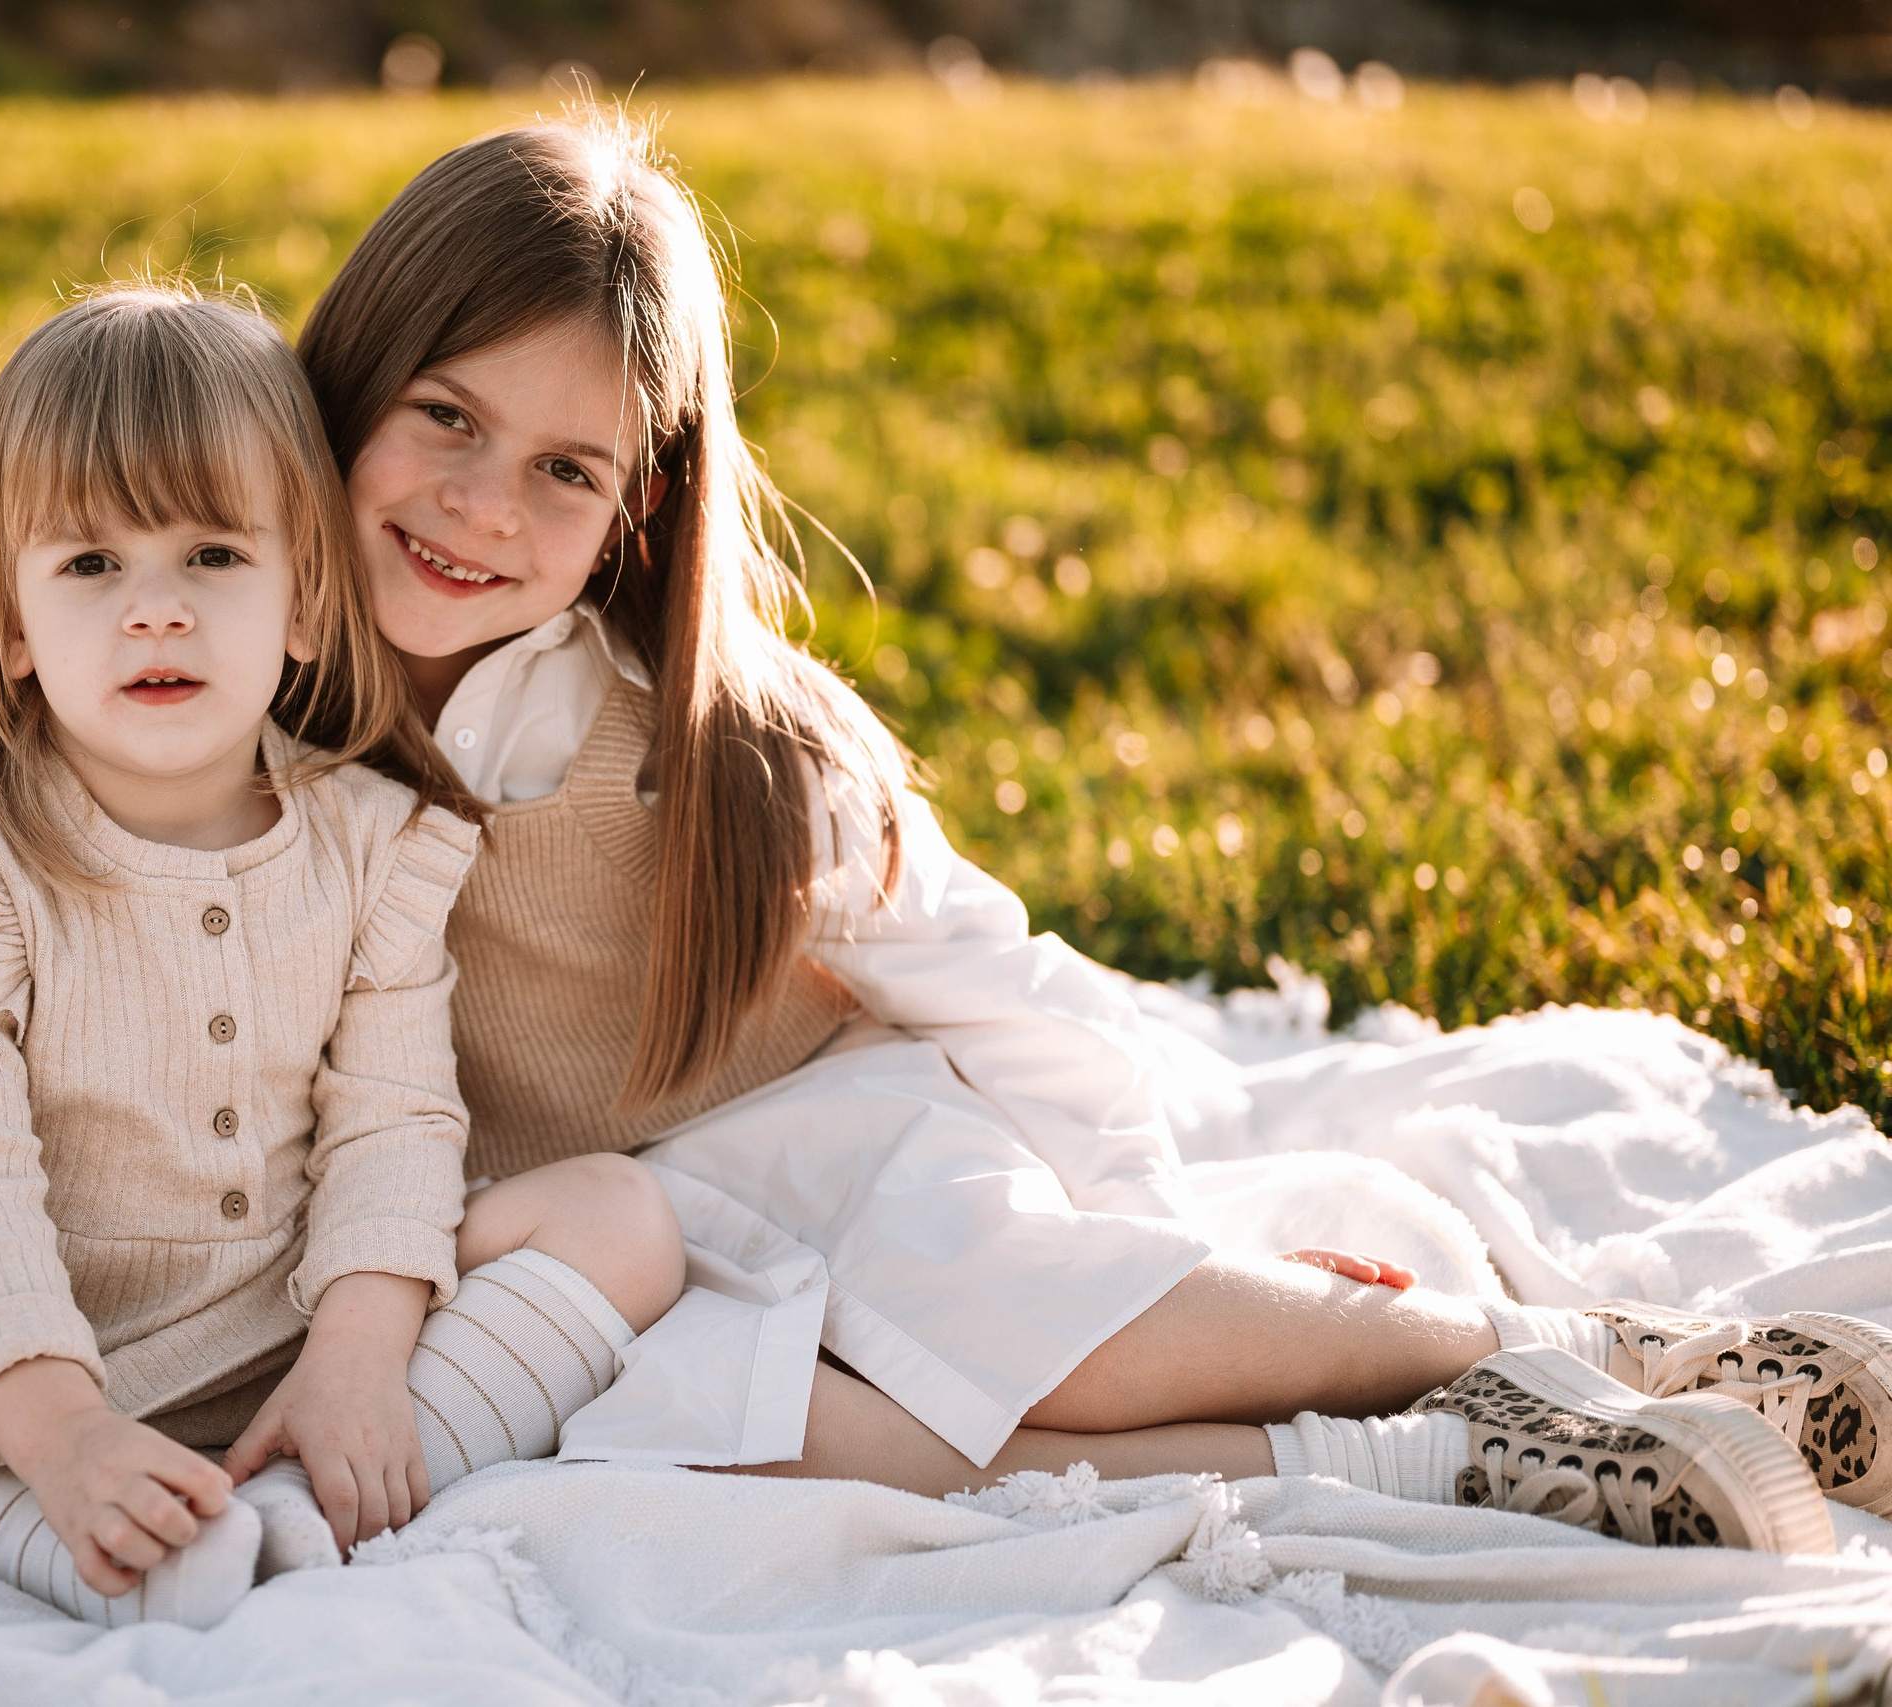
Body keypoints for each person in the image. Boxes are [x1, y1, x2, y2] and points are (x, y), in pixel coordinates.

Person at [291, 111, 1889, 1554]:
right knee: (721, 1441)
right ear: (354, 376)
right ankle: (1462, 1463)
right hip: (600, 1245)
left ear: (639, 504)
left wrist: (1153, 1239)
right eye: (444, 416)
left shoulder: (722, 748)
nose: (482, 507)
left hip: (829, 1137)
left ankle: (1571, 1354)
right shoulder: (231, 680)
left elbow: (1003, 987)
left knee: (1007, 1295)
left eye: (563, 469)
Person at [0, 285, 686, 1628]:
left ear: (303, 599)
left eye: (214, 558)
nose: (156, 612)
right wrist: (59, 1429)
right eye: (91, 567)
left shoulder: (376, 850)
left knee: (620, 1219)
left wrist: (356, 1353)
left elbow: (395, 1118)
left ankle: (314, 1489)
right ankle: (51, 1533)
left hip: (271, 1318)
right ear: (11, 625)